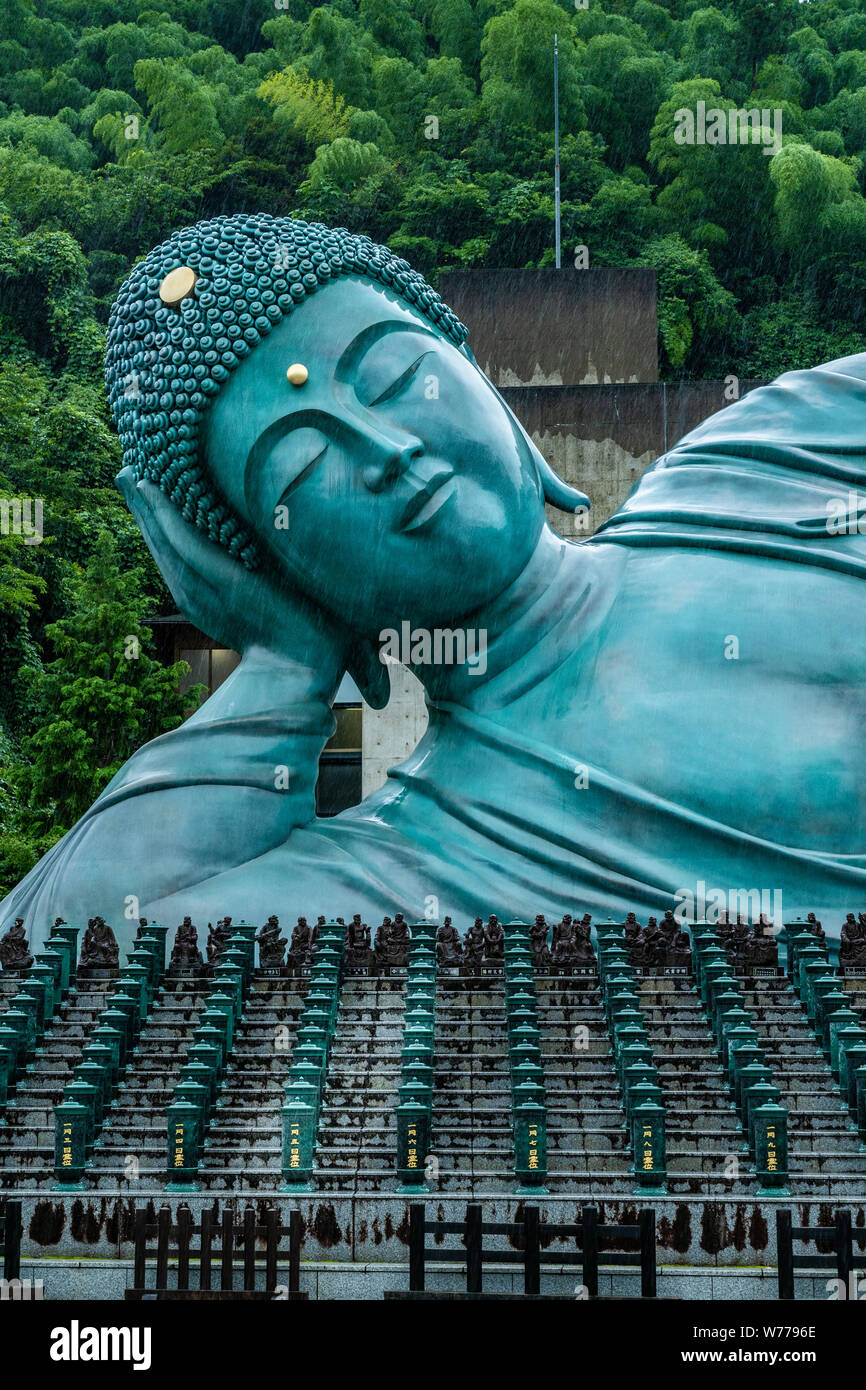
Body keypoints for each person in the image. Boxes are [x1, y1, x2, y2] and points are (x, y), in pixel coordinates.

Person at [7, 212, 866, 956]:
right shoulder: (417, 863)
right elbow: (66, 959)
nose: (385, 452)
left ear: (483, 381)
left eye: (391, 377)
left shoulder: (775, 466)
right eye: (304, 468)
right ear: (272, 574)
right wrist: (282, 667)